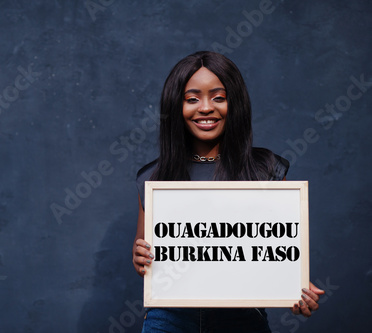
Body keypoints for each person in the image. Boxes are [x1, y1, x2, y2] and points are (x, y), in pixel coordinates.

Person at [132, 51, 324, 332]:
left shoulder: (265, 169)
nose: (206, 107)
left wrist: (294, 285)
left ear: (235, 104)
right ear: (175, 106)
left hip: (241, 319)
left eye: (219, 97)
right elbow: (144, 255)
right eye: (192, 98)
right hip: (169, 319)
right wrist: (140, 258)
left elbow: (278, 250)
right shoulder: (154, 177)